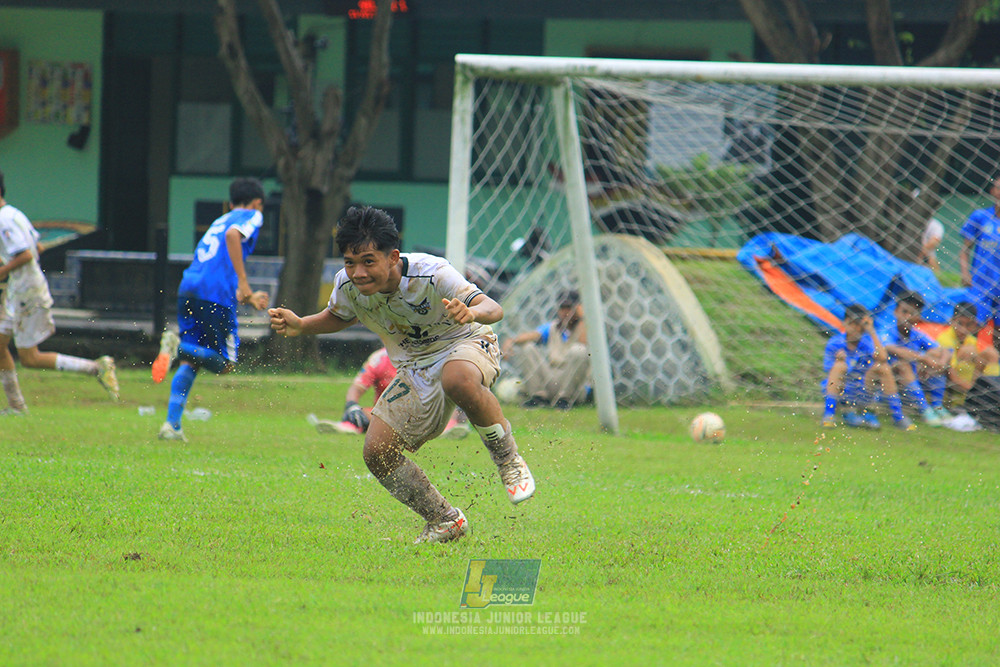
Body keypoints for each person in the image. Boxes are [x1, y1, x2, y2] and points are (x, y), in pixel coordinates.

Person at [269, 206, 534, 544]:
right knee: (376, 452)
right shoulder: (347, 285)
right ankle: (444, 520)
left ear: (393, 256)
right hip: (414, 367)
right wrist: (303, 324)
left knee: (457, 379)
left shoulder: (432, 272)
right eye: (350, 262)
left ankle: (508, 460)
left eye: (368, 261)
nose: (358, 272)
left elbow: (493, 308)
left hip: (467, 341)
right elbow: (340, 315)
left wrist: (470, 311)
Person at [153, 177, 269, 442]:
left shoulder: (220, 220)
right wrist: (242, 281)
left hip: (189, 287)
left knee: (192, 361)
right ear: (257, 202)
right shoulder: (252, 215)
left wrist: (246, 295)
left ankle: (172, 425)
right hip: (214, 293)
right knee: (226, 364)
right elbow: (233, 237)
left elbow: (220, 256)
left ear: (229, 202)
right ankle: (176, 346)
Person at [0, 168, 119, 414]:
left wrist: (3, 270)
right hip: (19, 290)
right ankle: (16, 406)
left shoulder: (3, 220)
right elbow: (38, 246)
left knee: (30, 358)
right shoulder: (14, 214)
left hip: (26, 292)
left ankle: (95, 368)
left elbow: (26, 253)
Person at [309, 345, 470, 439]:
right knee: (362, 414)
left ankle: (449, 427)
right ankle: (349, 425)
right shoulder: (380, 358)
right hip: (387, 414)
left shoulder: (431, 355)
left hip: (426, 411)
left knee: (443, 409)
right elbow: (357, 387)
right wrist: (351, 405)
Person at [820, 303, 913, 431]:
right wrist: (841, 360)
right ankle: (829, 415)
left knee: (883, 368)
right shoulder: (835, 343)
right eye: (853, 324)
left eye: (860, 325)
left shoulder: (867, 342)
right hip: (843, 390)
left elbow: (883, 358)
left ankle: (898, 416)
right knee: (839, 366)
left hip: (862, 389)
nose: (856, 329)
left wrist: (872, 331)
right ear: (845, 323)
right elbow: (830, 373)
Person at [501, 289, 591, 410]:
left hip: (574, 386)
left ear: (578, 308)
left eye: (569, 308)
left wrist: (582, 318)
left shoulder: (586, 327)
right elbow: (533, 335)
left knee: (579, 350)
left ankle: (565, 400)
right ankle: (538, 397)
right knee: (528, 347)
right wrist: (511, 341)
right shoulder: (553, 327)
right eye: (562, 307)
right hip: (552, 379)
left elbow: (583, 344)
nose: (565, 312)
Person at [880, 290, 950, 426]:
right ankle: (925, 410)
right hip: (889, 383)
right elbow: (893, 350)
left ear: (918, 316)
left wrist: (938, 362)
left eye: (912, 313)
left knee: (935, 356)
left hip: (915, 380)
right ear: (896, 312)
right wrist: (923, 359)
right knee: (902, 364)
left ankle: (937, 406)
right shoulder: (886, 331)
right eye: (904, 312)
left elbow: (943, 350)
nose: (907, 317)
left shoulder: (917, 334)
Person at [926, 301, 1000, 414]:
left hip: (972, 392)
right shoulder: (945, 340)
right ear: (952, 321)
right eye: (960, 323)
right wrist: (975, 392)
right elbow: (951, 376)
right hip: (950, 394)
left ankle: (989, 396)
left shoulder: (970, 340)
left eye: (969, 325)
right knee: (970, 354)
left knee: (990, 353)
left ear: (975, 325)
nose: (963, 329)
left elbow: (988, 359)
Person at [959, 176, 1000, 358]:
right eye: (998, 188)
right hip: (981, 283)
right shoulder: (980, 217)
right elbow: (964, 250)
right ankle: (966, 366)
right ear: (992, 191)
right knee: (973, 324)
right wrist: (965, 272)